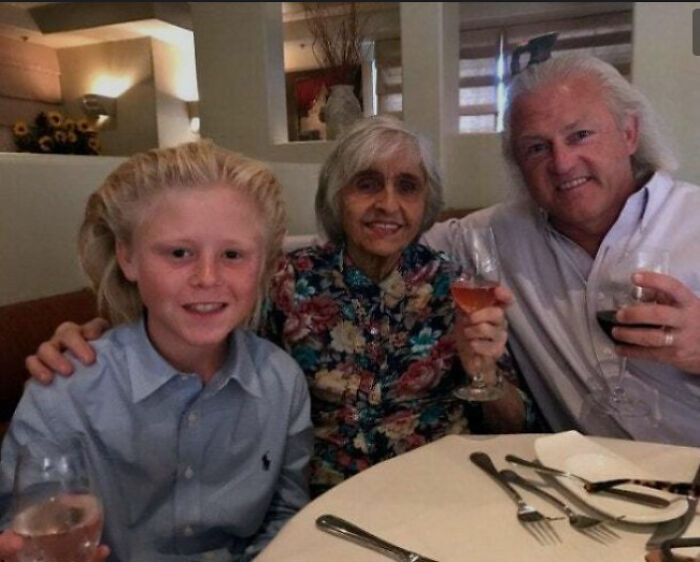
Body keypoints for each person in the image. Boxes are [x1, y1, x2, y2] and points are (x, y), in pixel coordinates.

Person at [22, 117, 527, 499]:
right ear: (336, 196)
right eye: (367, 183)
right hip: (325, 502)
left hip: (445, 485)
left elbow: (515, 424)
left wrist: (485, 372)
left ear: (427, 202)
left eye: (408, 186)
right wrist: (98, 334)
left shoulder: (454, 286)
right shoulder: (285, 279)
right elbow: (192, 324)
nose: (388, 204)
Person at [0, 141, 313, 561]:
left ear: (264, 265)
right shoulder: (65, 396)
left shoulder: (282, 383)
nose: (207, 277)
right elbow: (22, 530)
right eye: (179, 253)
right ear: (127, 258)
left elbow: (285, 518)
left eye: (233, 254)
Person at [422, 53, 700, 445]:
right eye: (537, 148)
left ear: (629, 133)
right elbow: (389, 240)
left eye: (580, 135)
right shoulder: (495, 238)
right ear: (519, 165)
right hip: (580, 486)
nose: (563, 163)